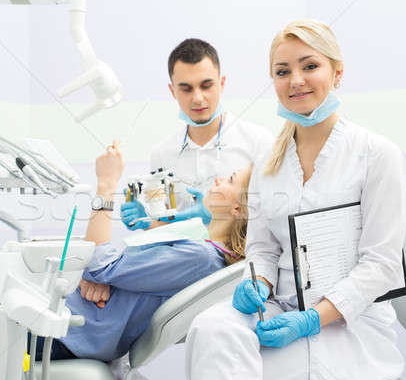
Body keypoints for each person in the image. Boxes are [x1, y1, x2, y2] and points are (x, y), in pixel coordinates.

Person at [185, 20, 406, 380]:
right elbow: (263, 249)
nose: (296, 81)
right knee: (209, 329)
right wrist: (258, 282)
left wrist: (310, 320)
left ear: (337, 73)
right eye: (282, 71)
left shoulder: (376, 154)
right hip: (280, 307)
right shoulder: (269, 163)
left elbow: (382, 267)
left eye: (310, 66)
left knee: (231, 379)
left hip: (349, 326)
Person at [80, 38, 273, 308]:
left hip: (237, 280)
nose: (198, 98)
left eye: (207, 85)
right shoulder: (163, 153)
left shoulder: (259, 143)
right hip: (182, 280)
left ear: (222, 83)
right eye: (186, 88)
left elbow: (273, 225)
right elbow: (165, 225)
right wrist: (146, 222)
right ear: (172, 91)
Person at [32, 140, 253, 362]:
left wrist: (106, 185)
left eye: (230, 180)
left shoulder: (202, 258)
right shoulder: (204, 251)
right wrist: (87, 276)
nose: (219, 179)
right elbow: (106, 268)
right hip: (76, 323)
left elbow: (101, 266)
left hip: (68, 331)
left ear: (237, 209)